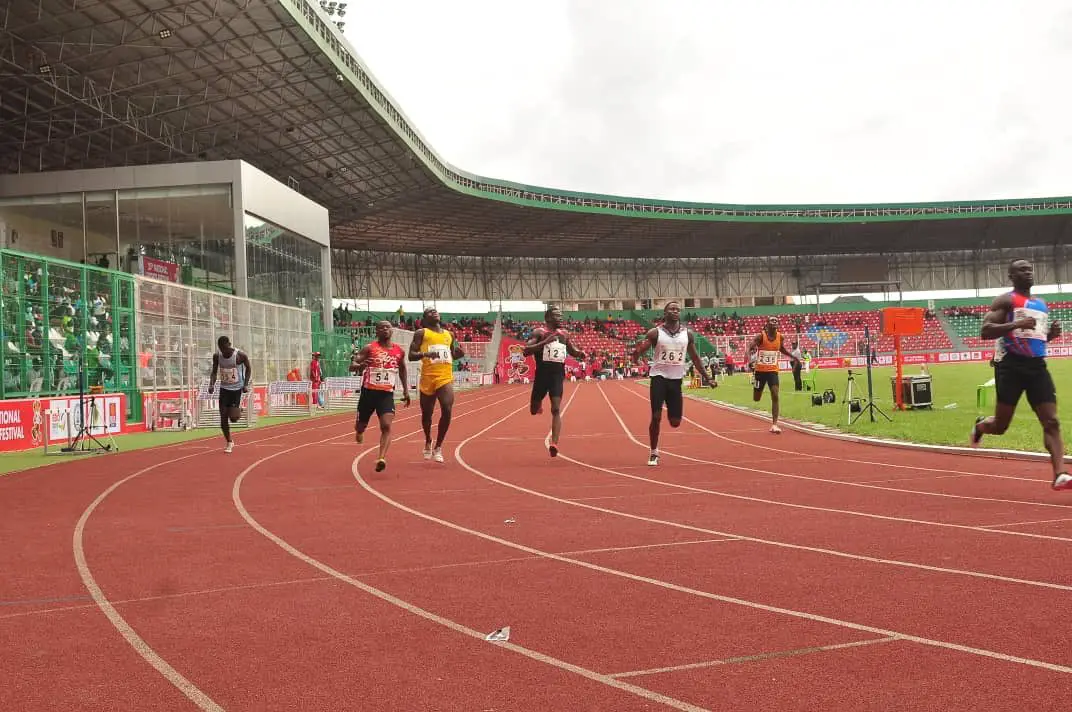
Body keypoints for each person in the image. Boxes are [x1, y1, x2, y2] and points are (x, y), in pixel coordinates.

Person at [972, 259, 1071, 491]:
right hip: (1011, 367)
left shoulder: (1041, 304)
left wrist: (1051, 335)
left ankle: (1060, 474)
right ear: (1011, 276)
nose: (1027, 273)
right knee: (1001, 425)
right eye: (1021, 270)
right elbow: (985, 331)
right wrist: (1015, 324)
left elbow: (1035, 338)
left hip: (1037, 367)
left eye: (1029, 269)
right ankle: (980, 427)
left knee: (1052, 421)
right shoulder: (1006, 301)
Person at [631, 301, 712, 466]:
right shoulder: (655, 333)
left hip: (676, 380)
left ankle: (670, 413)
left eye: (677, 309)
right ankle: (654, 452)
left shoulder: (687, 335)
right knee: (656, 416)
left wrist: (707, 377)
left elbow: (695, 358)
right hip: (658, 378)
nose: (675, 311)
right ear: (665, 313)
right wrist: (636, 355)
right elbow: (641, 350)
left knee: (675, 422)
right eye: (671, 309)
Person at [524, 305, 586, 457]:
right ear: (548, 318)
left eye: (561, 315)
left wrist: (580, 353)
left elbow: (572, 350)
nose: (561, 318)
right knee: (533, 409)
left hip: (557, 375)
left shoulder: (564, 334)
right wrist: (545, 342)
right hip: (541, 375)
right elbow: (526, 350)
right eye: (557, 315)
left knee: (556, 409)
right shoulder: (539, 332)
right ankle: (538, 406)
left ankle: (554, 443)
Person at [351, 320, 410, 472]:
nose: (385, 329)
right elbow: (352, 364)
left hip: (386, 394)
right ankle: (359, 431)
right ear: (376, 332)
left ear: (392, 331)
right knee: (361, 424)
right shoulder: (369, 348)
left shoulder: (399, 351)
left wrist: (406, 390)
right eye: (381, 327)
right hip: (368, 393)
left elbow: (402, 369)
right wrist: (359, 366)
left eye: (388, 327)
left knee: (386, 425)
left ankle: (381, 457)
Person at [408, 307, 465, 462]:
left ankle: (438, 447)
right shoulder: (421, 333)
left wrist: (458, 355)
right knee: (427, 415)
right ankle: (428, 440)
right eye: (429, 312)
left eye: (435, 311)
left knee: (447, 408)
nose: (434, 312)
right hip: (427, 377)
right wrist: (425, 354)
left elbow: (452, 354)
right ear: (425, 319)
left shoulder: (449, 334)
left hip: (445, 376)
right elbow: (411, 355)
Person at [748, 316, 799, 434]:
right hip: (760, 372)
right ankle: (756, 389)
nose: (774, 322)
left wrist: (792, 356)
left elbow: (781, 348)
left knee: (775, 395)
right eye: (772, 320)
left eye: (776, 321)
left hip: (772, 371)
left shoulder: (780, 337)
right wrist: (750, 359)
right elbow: (749, 347)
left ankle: (775, 425)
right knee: (756, 398)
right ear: (767, 324)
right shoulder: (761, 336)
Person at [207, 336, 252, 453]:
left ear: (229, 344)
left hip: (236, 389)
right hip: (224, 389)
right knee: (223, 418)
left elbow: (249, 368)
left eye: (225, 348)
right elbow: (214, 371)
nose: (224, 351)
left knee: (233, 418)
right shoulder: (217, 356)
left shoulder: (239, 356)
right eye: (221, 349)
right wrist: (211, 384)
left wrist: (245, 384)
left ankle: (238, 411)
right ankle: (229, 442)